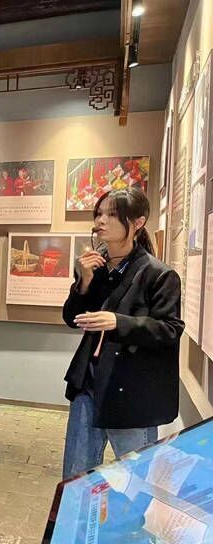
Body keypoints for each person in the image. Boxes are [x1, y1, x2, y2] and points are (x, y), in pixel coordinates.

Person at [62, 188, 183, 479]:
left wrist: (118, 322)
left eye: (112, 214)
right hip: (89, 385)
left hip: (131, 392)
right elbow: (72, 318)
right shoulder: (94, 266)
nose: (101, 221)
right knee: (76, 478)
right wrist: (84, 283)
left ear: (138, 222)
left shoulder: (159, 274)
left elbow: (170, 329)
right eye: (99, 213)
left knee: (136, 480)